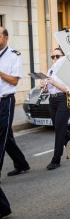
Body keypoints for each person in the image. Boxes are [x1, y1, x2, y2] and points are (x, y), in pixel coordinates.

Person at [0, 27, 30, 177]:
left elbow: (14, 81)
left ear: (5, 38)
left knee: (1, 137)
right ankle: (21, 163)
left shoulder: (14, 56)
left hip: (5, 101)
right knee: (7, 136)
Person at [43, 47, 70, 170]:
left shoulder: (67, 69)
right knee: (60, 128)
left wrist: (53, 82)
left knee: (59, 130)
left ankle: (56, 159)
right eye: (53, 57)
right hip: (52, 99)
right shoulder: (51, 70)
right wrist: (44, 87)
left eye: (57, 56)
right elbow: (49, 88)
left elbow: (68, 89)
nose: (55, 59)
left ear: (64, 57)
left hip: (63, 99)